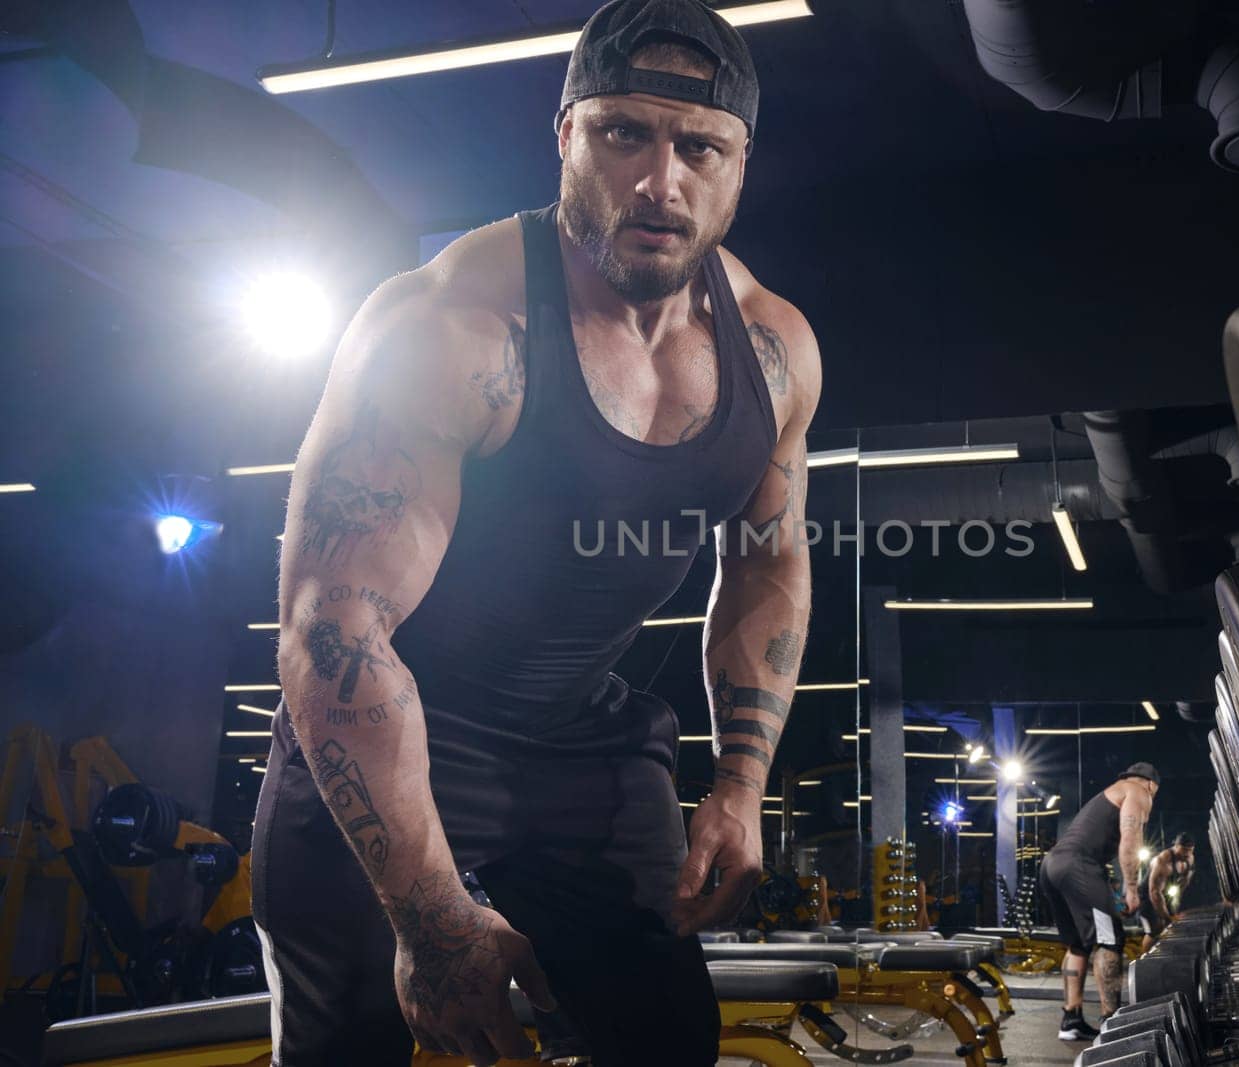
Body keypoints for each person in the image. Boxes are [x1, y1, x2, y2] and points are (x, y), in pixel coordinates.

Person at [251, 2, 822, 1064]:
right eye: (623, 134)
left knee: (661, 1034)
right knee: (346, 1044)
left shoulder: (774, 349)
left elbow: (769, 560)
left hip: (583, 741)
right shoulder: (449, 328)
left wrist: (740, 785)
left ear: (741, 161)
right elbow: (333, 627)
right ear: (564, 134)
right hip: (395, 721)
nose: (661, 181)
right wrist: (430, 918)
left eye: (698, 145)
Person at [1038, 762, 1160, 1040]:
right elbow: (1130, 840)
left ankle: (1071, 1019)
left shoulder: (1113, 790)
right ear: (1151, 784)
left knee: (1078, 945)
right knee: (1110, 939)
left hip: (1052, 865)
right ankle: (1111, 1024)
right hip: (1077, 865)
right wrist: (1131, 888)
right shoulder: (1138, 791)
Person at [1137, 832, 1196, 952]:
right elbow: (1154, 892)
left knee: (1170, 925)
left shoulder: (1189, 859)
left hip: (1164, 894)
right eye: (1184, 850)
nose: (1187, 854)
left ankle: (1166, 954)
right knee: (1154, 930)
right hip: (1147, 896)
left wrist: (1175, 905)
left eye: (1190, 850)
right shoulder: (1163, 861)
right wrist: (1166, 917)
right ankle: (1144, 961)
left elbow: (1184, 883)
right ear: (1176, 846)